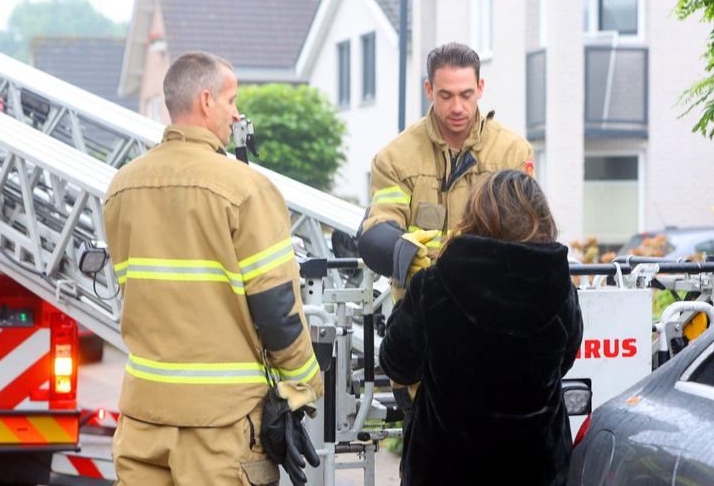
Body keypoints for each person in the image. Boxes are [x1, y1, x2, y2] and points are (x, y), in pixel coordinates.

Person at [103, 52, 323, 486]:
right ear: (206, 101)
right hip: (220, 429)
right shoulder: (246, 189)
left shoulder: (122, 187)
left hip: (143, 422)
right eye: (231, 101)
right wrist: (306, 384)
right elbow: (276, 308)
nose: (236, 114)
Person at [379, 170, 583, 486]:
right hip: (535, 469)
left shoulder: (432, 286)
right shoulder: (560, 290)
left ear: (475, 216)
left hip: (445, 469)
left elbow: (398, 364)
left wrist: (403, 291)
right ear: (541, 219)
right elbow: (564, 361)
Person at [358, 42, 535, 298]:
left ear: (480, 88)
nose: (457, 107)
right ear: (429, 90)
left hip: (492, 311)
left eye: (466, 94)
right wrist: (401, 249)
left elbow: (526, 237)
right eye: (446, 95)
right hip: (421, 313)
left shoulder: (514, 153)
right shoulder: (394, 158)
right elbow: (381, 223)